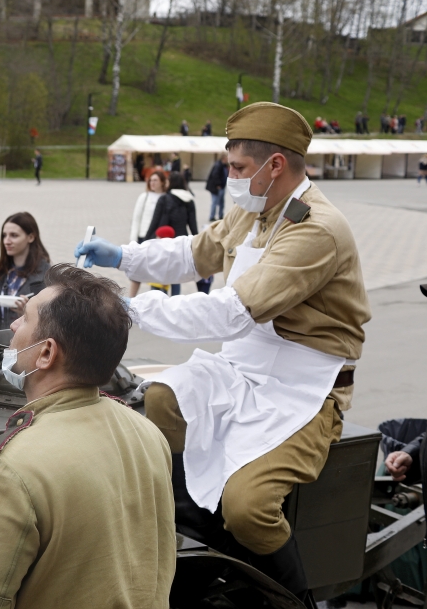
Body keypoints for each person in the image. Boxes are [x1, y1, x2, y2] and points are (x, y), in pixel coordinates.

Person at [75, 102, 370, 606]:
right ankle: (202, 533)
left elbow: (232, 313)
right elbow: (198, 251)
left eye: (237, 168)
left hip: (305, 387)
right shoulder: (256, 207)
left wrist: (130, 309)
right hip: (245, 365)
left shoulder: (315, 228)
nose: (230, 177)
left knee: (250, 507)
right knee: (161, 400)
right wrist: (124, 254)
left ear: (274, 166)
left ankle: (292, 596)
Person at [0, 264, 176, 609]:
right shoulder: (147, 433)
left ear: (47, 353)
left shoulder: (9, 471)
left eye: (25, 319)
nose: (14, 325)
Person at [0, 212, 50, 334]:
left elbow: (51, 326)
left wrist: (27, 315)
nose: (7, 241)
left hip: (24, 350)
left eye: (14, 235)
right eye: (4, 235)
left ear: (31, 237)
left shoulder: (46, 277)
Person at [145, 172, 198, 296]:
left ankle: (157, 302)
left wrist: (146, 240)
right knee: (176, 277)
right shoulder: (189, 200)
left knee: (158, 276)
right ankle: (175, 302)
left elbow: (154, 222)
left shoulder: (164, 199)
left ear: (171, 183)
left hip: (163, 242)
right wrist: (197, 245)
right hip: (181, 244)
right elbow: (193, 226)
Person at [127, 170, 167, 298]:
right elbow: (136, 219)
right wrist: (133, 240)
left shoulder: (166, 197)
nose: (152, 183)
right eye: (151, 180)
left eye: (155, 180)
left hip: (158, 239)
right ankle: (131, 299)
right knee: (137, 271)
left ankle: (155, 298)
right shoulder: (144, 197)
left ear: (162, 182)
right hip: (143, 236)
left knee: (156, 271)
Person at [206, 153, 228, 222]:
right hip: (217, 187)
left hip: (221, 186)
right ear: (224, 158)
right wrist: (218, 185)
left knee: (221, 202)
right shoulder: (218, 165)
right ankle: (212, 216)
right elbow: (215, 175)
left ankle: (220, 215)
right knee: (215, 202)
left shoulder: (223, 165)